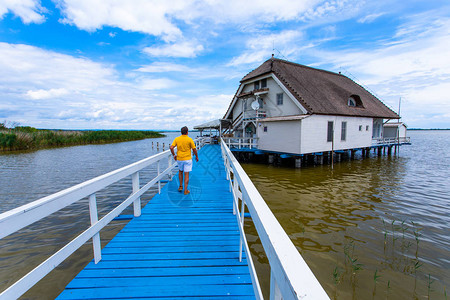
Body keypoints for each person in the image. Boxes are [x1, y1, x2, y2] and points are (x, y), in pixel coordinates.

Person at [170, 126, 199, 195]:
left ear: (181, 132)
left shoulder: (177, 139)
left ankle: (180, 186)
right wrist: (196, 156)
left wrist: (174, 155)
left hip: (179, 158)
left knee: (180, 172)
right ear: (187, 132)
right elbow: (194, 149)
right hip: (187, 159)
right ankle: (185, 190)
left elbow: (171, 147)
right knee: (186, 174)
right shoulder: (189, 139)